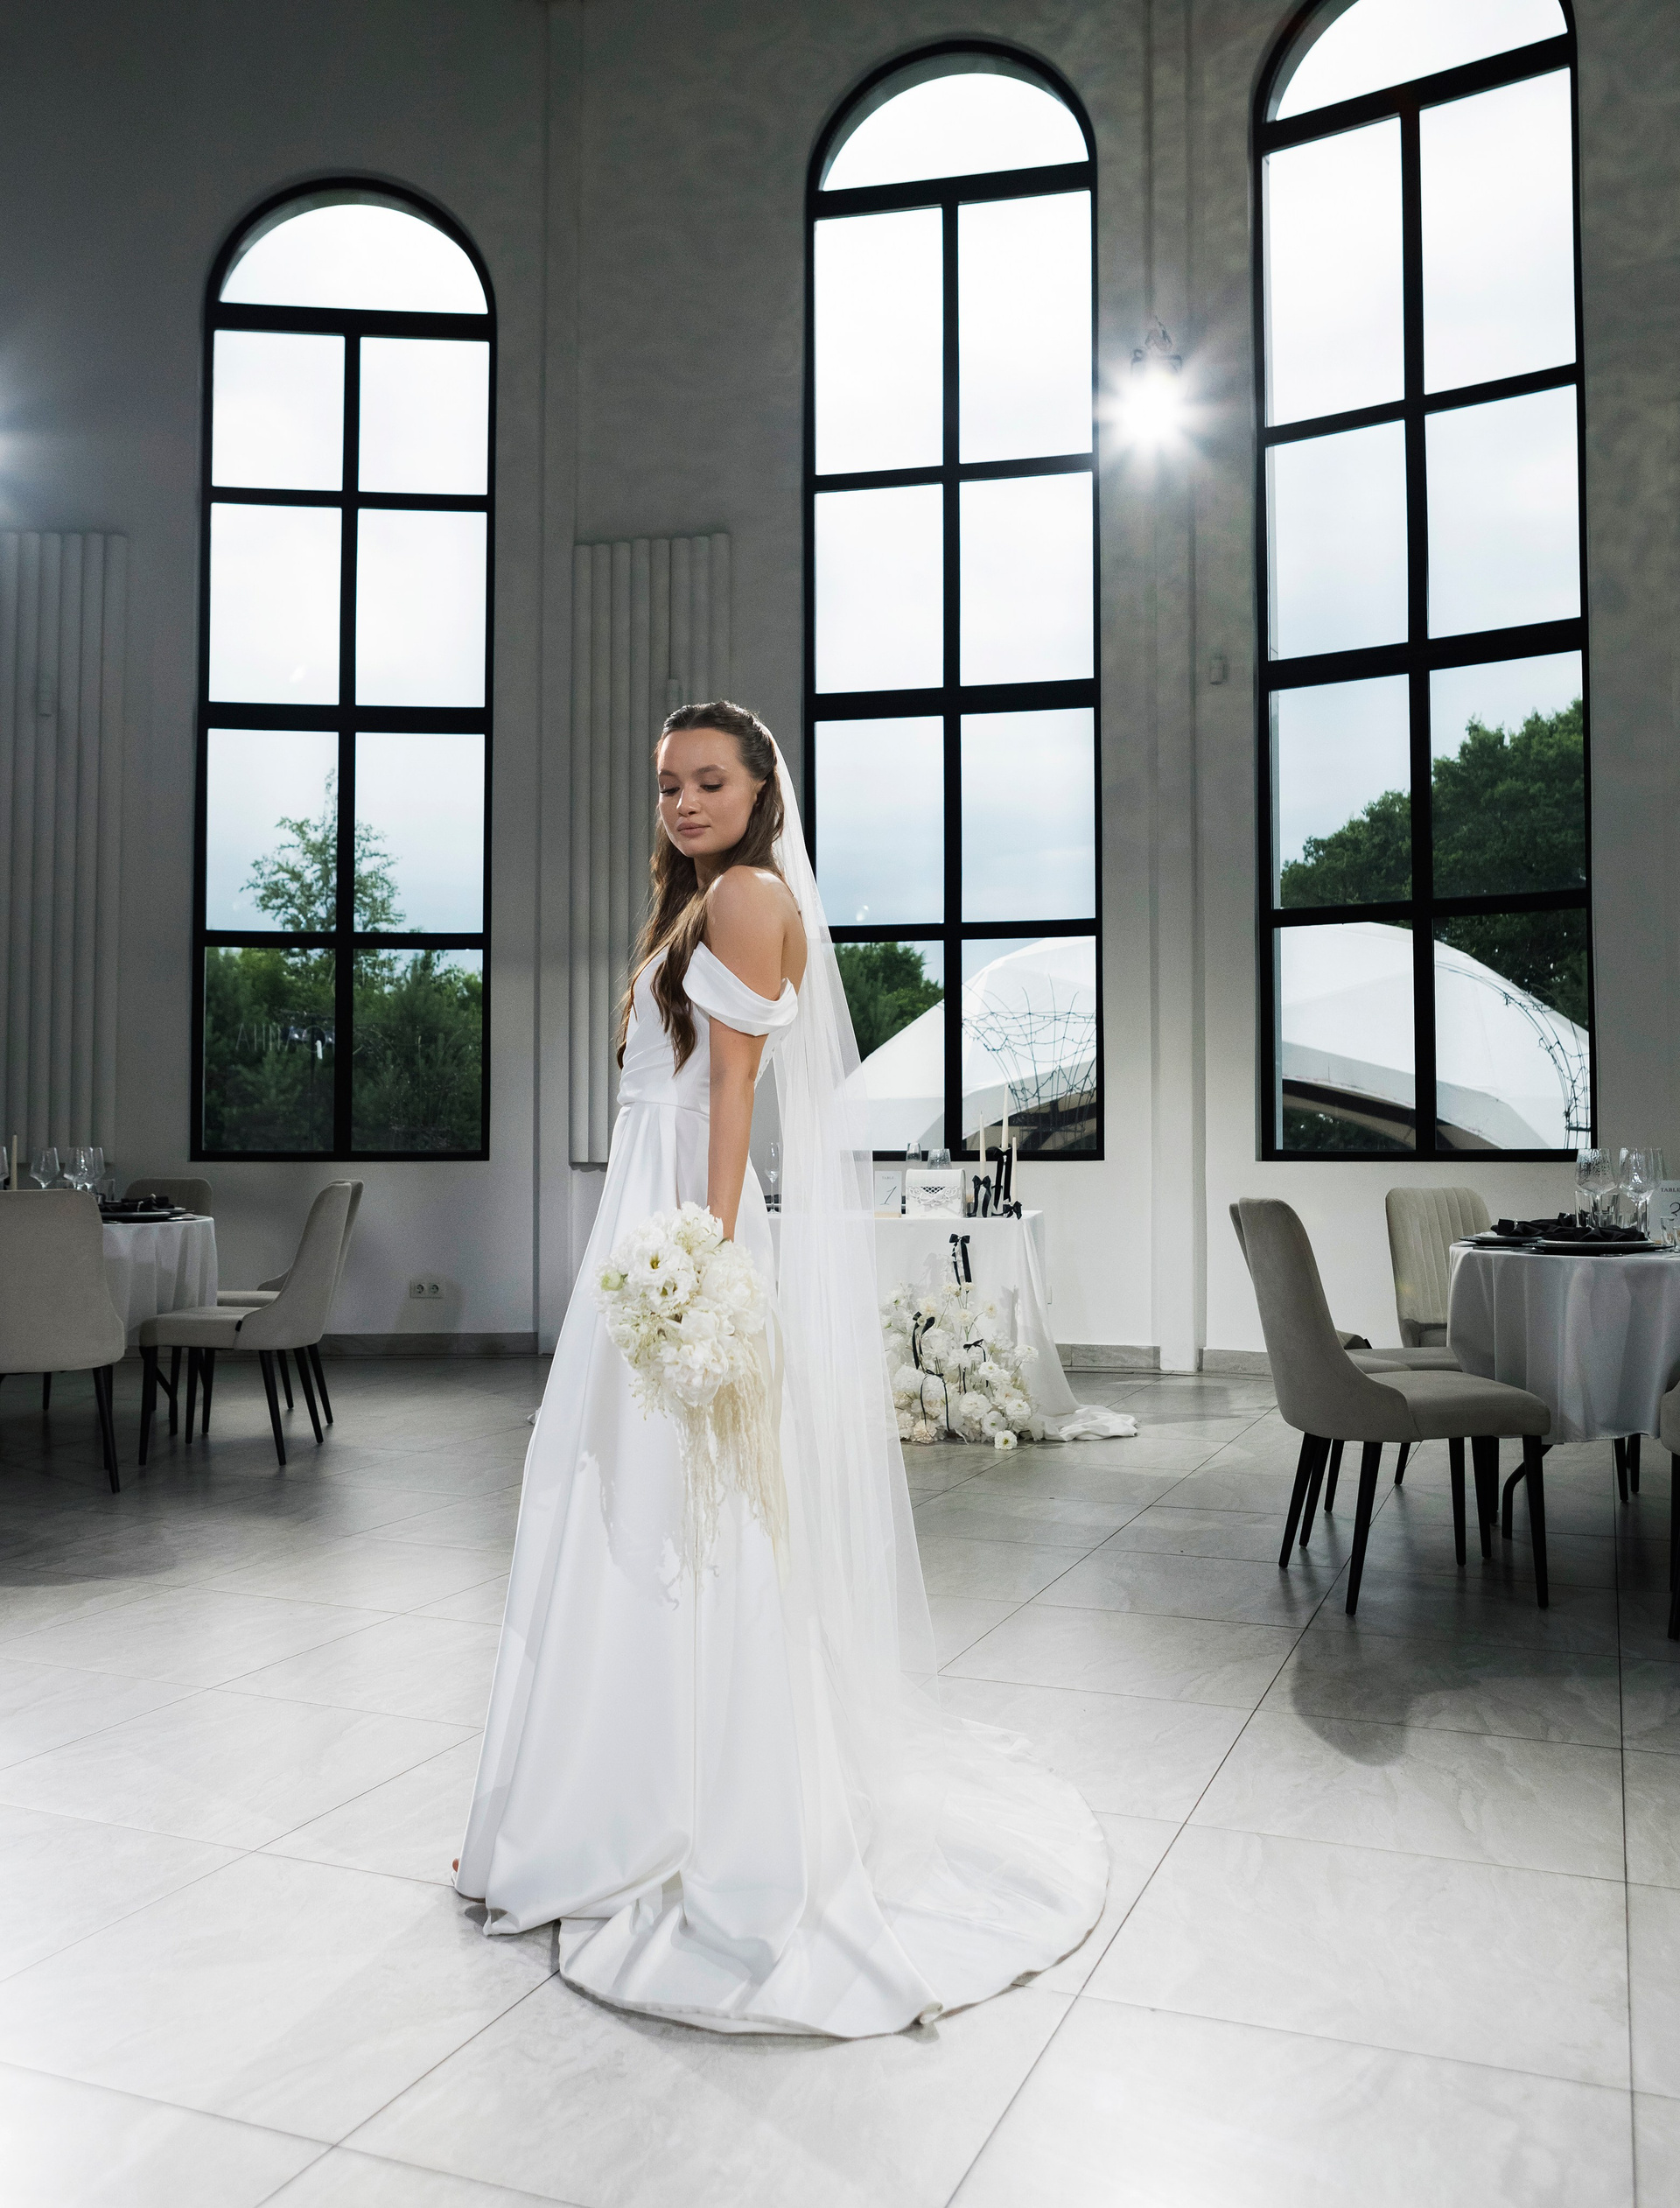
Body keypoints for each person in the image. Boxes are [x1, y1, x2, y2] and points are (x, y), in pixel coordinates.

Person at [456, 700, 1105, 2036]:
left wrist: (701, 1260)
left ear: (762, 792)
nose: (684, 803)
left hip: (683, 1227)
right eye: (668, 786)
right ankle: (608, 1786)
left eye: (710, 780)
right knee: (622, 1499)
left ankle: (698, 1804)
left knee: (692, 1510)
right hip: (646, 1219)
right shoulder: (697, 904)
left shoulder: (748, 899)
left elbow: (734, 1098)